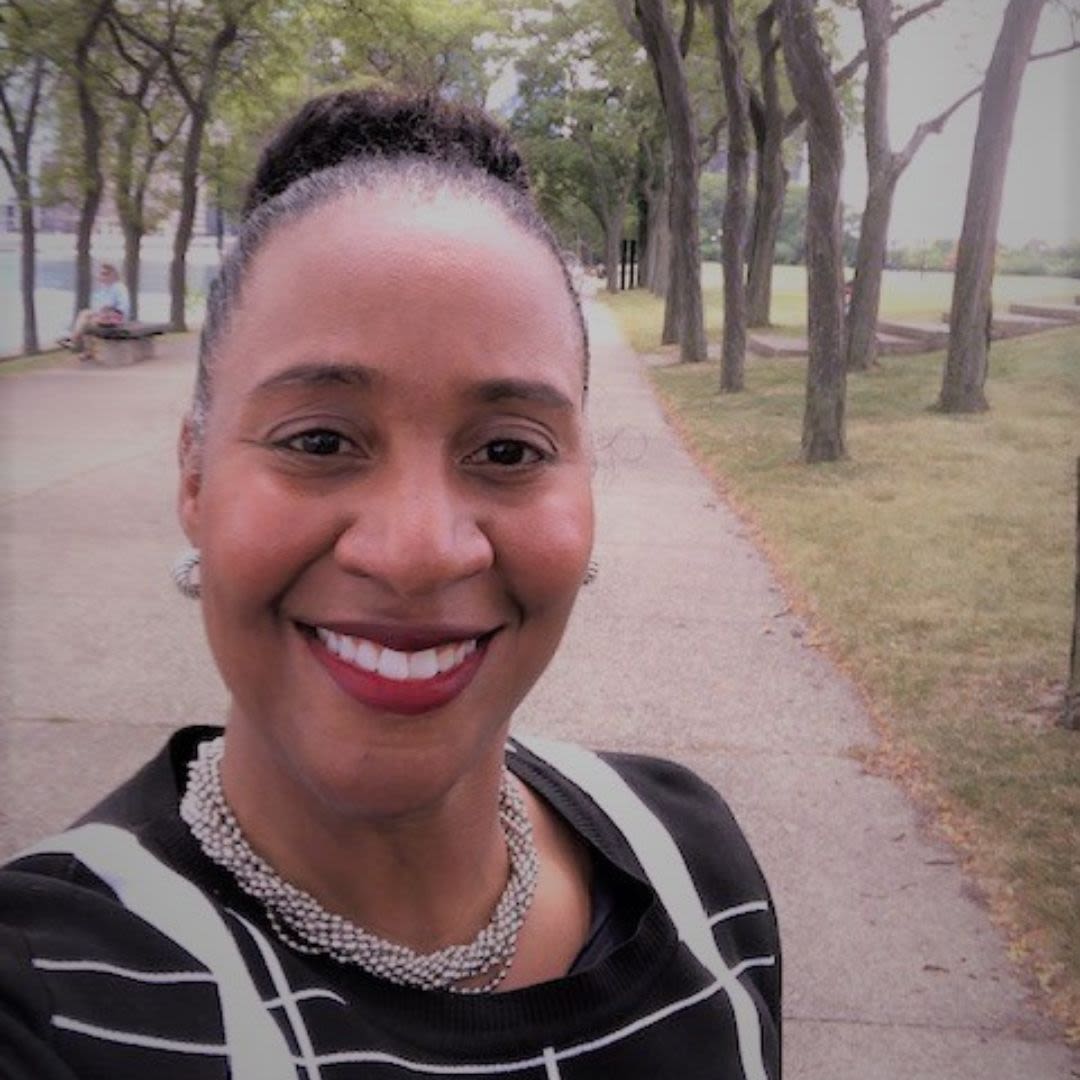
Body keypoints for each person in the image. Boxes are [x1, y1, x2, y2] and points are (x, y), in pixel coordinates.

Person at [0, 89, 780, 1078]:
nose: (416, 552)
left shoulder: (697, 872)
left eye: (508, 450)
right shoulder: (51, 993)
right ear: (195, 477)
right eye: (320, 441)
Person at [60, 262, 131, 361]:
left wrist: (109, 309)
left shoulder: (119, 287)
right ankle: (82, 347)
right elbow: (98, 307)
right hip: (104, 317)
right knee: (85, 317)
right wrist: (100, 312)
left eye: (105, 274)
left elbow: (124, 307)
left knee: (85, 320)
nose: (103, 276)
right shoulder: (104, 289)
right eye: (101, 274)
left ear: (113, 274)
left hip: (116, 319)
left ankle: (76, 342)